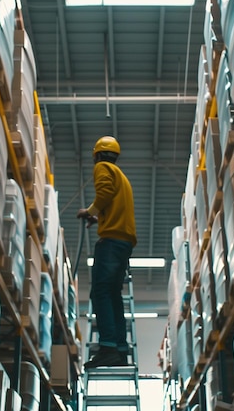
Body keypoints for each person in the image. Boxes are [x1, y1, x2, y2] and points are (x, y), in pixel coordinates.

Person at [77, 136, 137, 368]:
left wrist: (89, 210)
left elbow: (104, 192)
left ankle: (108, 347)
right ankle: (120, 350)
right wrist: (98, 216)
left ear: (97, 155)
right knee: (113, 296)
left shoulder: (103, 168)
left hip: (111, 241)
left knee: (100, 293)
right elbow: (114, 203)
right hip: (123, 242)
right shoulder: (123, 178)